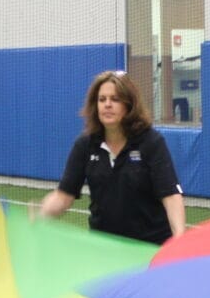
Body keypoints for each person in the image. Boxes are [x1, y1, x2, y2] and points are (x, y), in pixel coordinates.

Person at [39, 71, 186, 245]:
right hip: (103, 248)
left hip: (148, 247)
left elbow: (171, 196)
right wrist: (38, 217)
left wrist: (179, 240)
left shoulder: (151, 142)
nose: (107, 105)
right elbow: (64, 196)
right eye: (102, 99)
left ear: (129, 105)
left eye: (115, 99)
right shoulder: (85, 145)